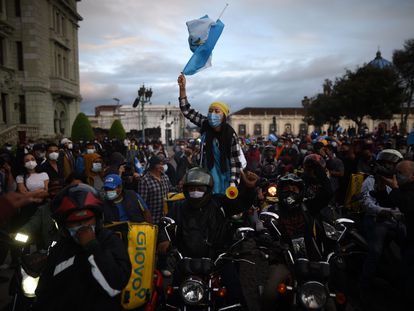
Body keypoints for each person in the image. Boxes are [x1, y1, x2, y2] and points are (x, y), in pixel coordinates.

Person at [158, 167, 259, 306]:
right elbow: (166, 224)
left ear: (208, 189)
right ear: (185, 189)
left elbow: (241, 204)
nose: (195, 192)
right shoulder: (178, 207)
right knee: (172, 300)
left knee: (236, 296)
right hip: (186, 262)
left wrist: (248, 188)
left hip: (218, 261)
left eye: (200, 188)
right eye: (191, 188)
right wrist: (164, 239)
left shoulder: (220, 203)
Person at [33, 183, 131, 311]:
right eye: (75, 222)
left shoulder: (110, 241)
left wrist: (92, 246)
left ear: (97, 219)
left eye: (87, 220)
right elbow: (44, 291)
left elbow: (115, 285)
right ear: (64, 225)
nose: (82, 227)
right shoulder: (61, 247)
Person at [178, 73, 244, 194]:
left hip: (225, 181)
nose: (212, 114)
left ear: (224, 115)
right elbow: (186, 110)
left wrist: (233, 184)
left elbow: (235, 162)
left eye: (217, 111)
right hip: (205, 179)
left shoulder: (230, 134)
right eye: (210, 111)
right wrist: (182, 89)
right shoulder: (205, 124)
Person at [359, 149, 406, 297]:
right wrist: (383, 211)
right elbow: (367, 203)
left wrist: (397, 212)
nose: (388, 167)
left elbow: (403, 201)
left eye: (391, 164)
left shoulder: (400, 181)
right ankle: (364, 288)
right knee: (375, 252)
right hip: (377, 221)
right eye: (385, 163)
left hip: (397, 220)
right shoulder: (371, 180)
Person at [381, 160, 414, 308]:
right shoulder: (405, 188)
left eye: (401, 173)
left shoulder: (409, 190)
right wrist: (382, 187)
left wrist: (394, 188)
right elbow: (387, 202)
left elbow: (406, 204)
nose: (397, 176)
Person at [137, 156, 172, 225]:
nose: (163, 166)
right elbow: (142, 204)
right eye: (161, 164)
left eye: (163, 164)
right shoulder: (145, 181)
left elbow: (170, 190)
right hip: (153, 221)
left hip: (166, 219)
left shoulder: (165, 177)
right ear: (154, 165)